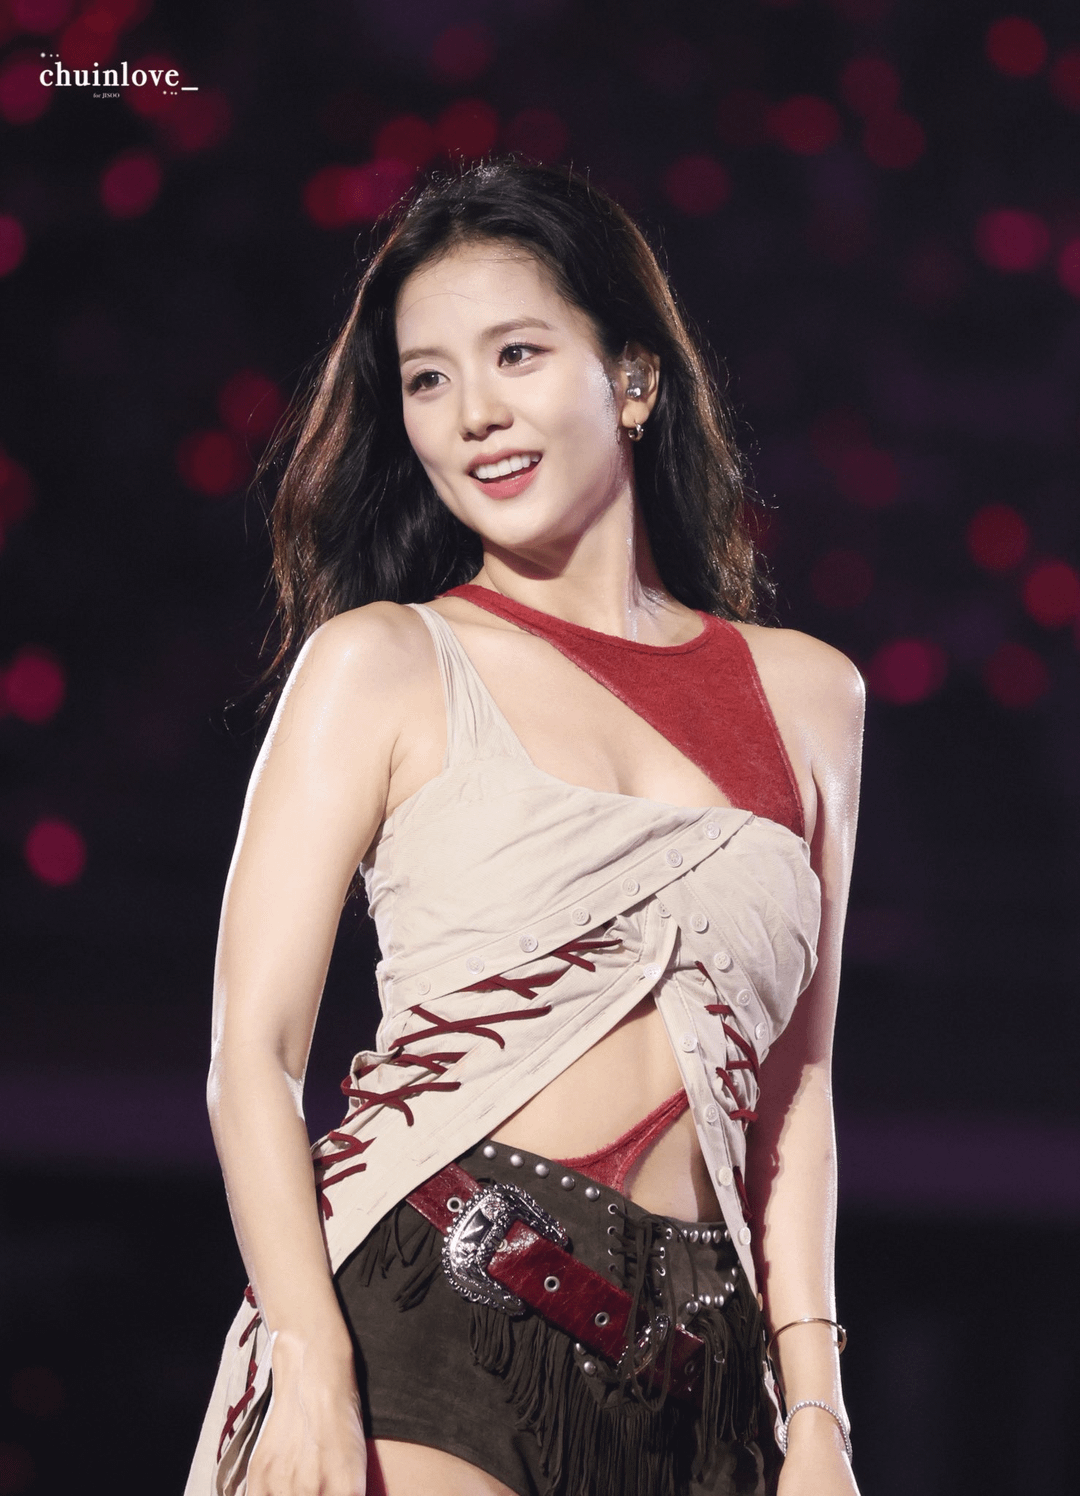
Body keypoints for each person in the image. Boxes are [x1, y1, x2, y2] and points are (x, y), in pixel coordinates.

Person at [185, 161, 864, 1496]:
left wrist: (819, 1413)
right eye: (427, 379)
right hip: (430, 1306)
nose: (473, 414)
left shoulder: (813, 697)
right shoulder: (381, 664)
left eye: (516, 353)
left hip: (707, 1379)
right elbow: (251, 1058)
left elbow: (796, 1087)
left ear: (634, 379)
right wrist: (310, 1359)